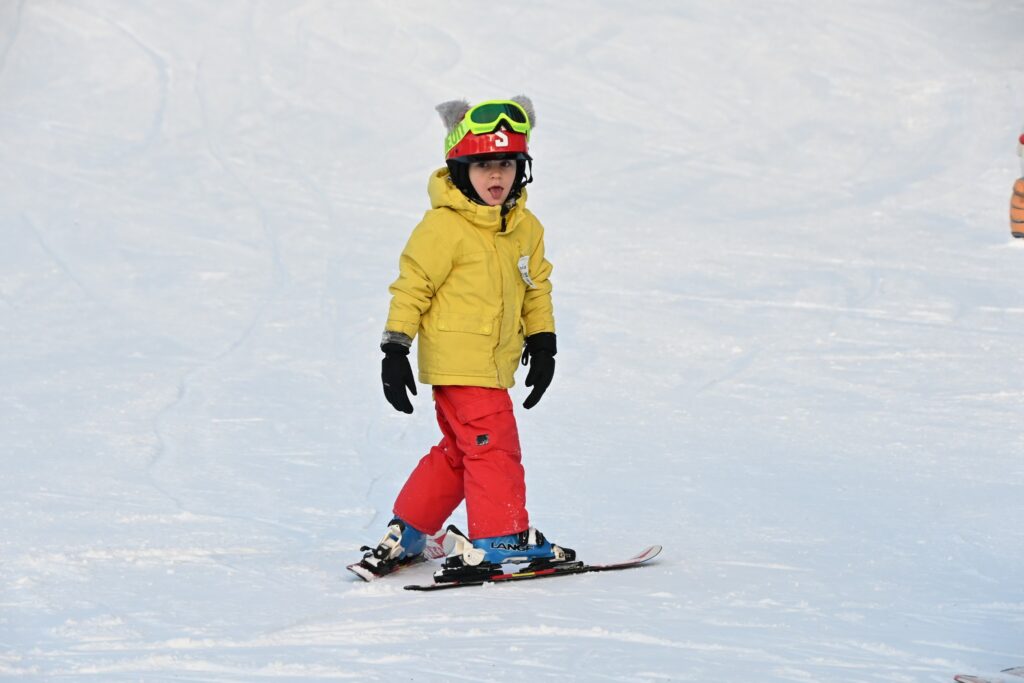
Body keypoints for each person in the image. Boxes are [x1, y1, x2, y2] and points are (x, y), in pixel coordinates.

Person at [358, 96, 575, 577]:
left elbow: (536, 288)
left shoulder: (525, 229)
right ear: (460, 170)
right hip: (461, 364)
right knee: (494, 447)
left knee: (460, 453)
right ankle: (501, 539)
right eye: (482, 166)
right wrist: (395, 350)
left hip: (492, 366)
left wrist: (543, 343)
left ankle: (409, 530)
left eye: (506, 164)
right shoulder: (444, 227)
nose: (496, 176)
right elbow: (412, 287)